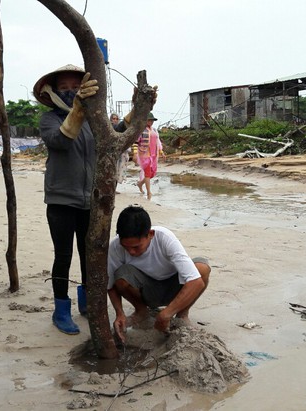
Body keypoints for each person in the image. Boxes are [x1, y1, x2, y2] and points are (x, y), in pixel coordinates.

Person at [33, 64, 99, 335]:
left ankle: (87, 304)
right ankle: (61, 311)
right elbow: (60, 141)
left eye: (75, 87)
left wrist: (137, 109)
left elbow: (116, 133)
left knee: (88, 255)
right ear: (52, 92)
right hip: (61, 200)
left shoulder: (94, 120)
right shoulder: (49, 120)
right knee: (63, 256)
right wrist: (78, 110)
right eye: (64, 88)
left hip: (89, 200)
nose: (71, 92)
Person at [107, 205, 210, 343]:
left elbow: (196, 281)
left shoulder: (164, 237)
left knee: (201, 268)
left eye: (136, 247)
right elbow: (110, 286)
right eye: (126, 247)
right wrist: (119, 313)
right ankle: (141, 312)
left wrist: (166, 314)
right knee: (120, 276)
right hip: (146, 291)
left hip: (175, 287)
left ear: (150, 234)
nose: (131, 252)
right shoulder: (115, 246)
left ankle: (182, 315)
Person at [111, 113, 130, 185]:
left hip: (122, 153)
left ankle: (115, 187)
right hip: (114, 154)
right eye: (113, 118)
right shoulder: (111, 128)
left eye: (116, 119)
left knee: (119, 172)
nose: (115, 120)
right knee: (114, 171)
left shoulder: (120, 128)